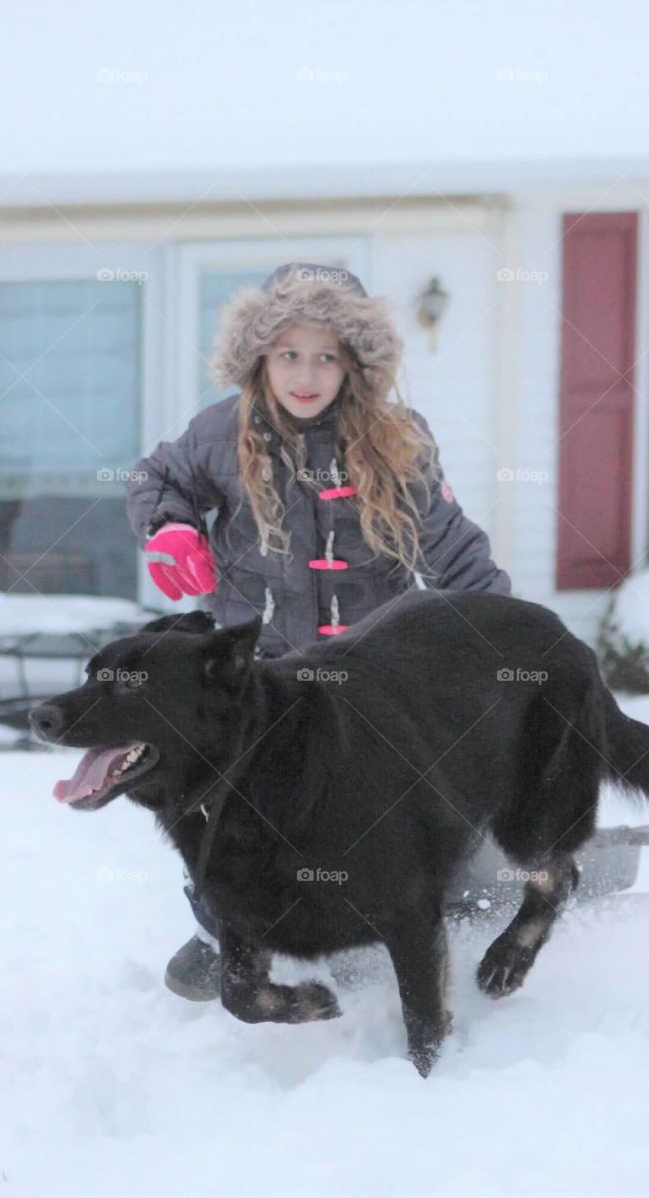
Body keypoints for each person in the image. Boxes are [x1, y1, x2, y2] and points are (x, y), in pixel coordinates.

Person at [125, 262, 512, 1000]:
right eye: (288, 353)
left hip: (377, 677)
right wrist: (170, 527)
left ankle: (408, 910)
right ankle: (222, 926)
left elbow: (453, 547)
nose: (306, 374)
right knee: (221, 806)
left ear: (355, 363)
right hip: (260, 676)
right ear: (259, 358)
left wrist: (511, 640)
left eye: (326, 355)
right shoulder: (220, 434)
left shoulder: (399, 440)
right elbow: (154, 479)